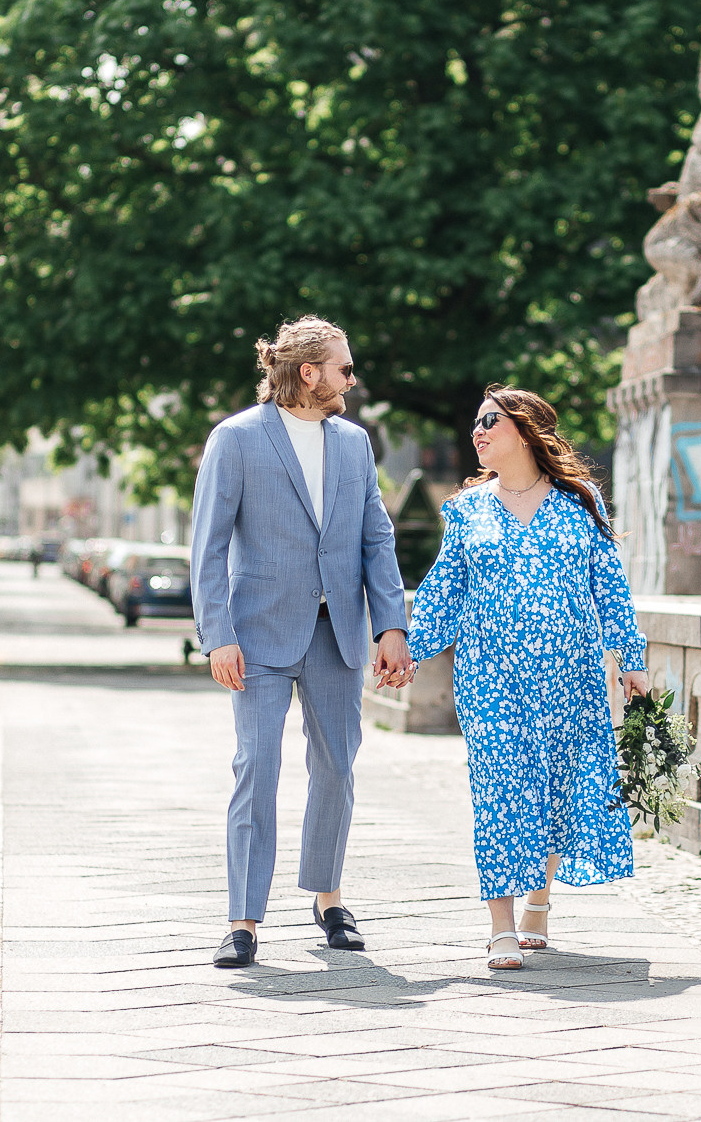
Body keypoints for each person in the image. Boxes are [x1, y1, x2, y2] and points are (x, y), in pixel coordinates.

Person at [189, 315, 415, 969]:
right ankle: (243, 920)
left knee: (337, 767)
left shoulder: (353, 443)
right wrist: (218, 635)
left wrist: (390, 624)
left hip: (337, 631)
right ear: (308, 371)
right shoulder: (235, 438)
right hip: (256, 634)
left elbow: (377, 537)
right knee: (256, 768)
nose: (353, 377)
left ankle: (327, 896)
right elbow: (207, 548)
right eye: (344, 367)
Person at [400, 386, 649, 971]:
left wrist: (630, 659)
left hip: (572, 678)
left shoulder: (580, 499)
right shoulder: (466, 510)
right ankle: (502, 928)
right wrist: (407, 650)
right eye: (475, 424)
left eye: (490, 421)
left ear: (526, 428)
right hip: (491, 680)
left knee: (559, 792)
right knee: (500, 795)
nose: (478, 433)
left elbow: (608, 586)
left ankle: (539, 904)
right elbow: (444, 591)